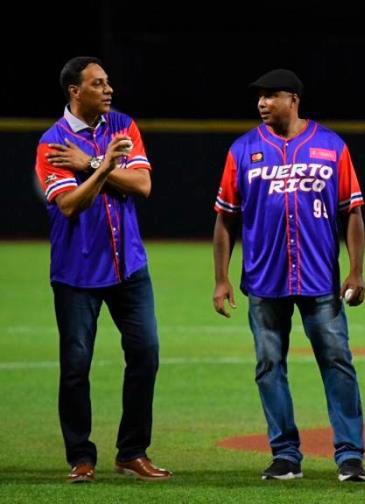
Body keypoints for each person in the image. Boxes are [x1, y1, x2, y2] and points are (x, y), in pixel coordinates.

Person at [212, 69, 365, 483]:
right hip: (264, 281)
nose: (262, 103)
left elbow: (351, 211)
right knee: (268, 365)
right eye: (259, 97)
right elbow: (225, 218)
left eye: (270, 96)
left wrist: (355, 270)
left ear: (294, 99)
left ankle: (350, 456)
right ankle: (284, 454)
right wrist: (221, 279)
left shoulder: (330, 146)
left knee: (337, 362)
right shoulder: (243, 149)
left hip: (320, 280)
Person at [34, 56, 171, 483]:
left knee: (146, 354)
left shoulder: (123, 126)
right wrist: (109, 167)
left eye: (108, 81)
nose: (108, 89)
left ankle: (132, 451)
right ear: (75, 91)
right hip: (77, 273)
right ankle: (81, 457)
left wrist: (92, 165)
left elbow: (144, 186)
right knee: (76, 366)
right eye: (98, 83)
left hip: (129, 266)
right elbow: (71, 204)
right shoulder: (51, 143)